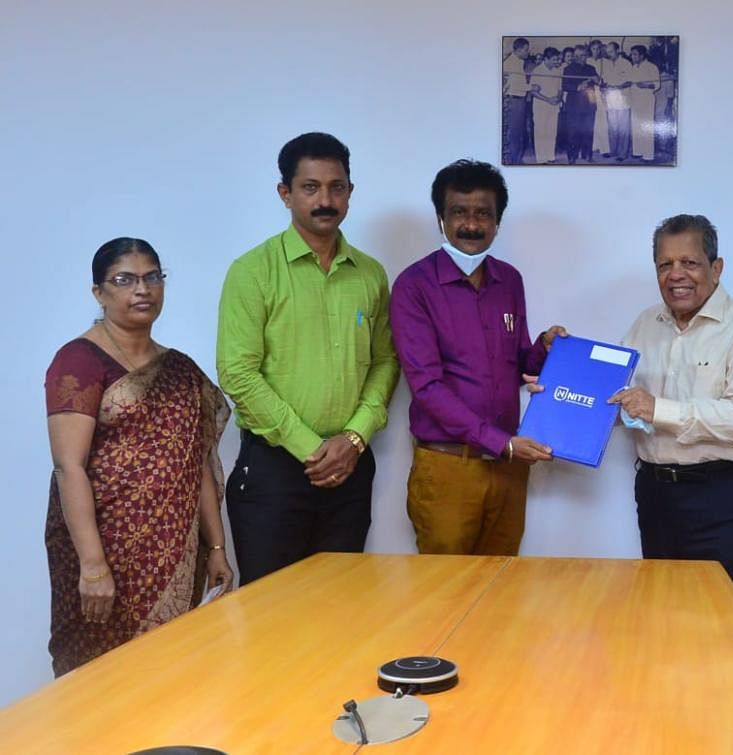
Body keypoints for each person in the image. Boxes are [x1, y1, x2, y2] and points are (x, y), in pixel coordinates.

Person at [44, 238, 232, 676]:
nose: (142, 289)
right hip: (104, 552)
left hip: (174, 554)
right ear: (99, 293)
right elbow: (68, 466)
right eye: (125, 280)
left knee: (171, 673)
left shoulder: (180, 369)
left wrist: (217, 547)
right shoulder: (78, 362)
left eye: (152, 277)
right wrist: (92, 566)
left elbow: (196, 462)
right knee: (99, 678)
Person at [217, 132, 399, 585]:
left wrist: (354, 438)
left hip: (350, 469)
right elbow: (237, 373)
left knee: (340, 612)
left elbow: (386, 362)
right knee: (272, 615)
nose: (325, 200)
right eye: (310, 187)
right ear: (285, 193)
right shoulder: (252, 271)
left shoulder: (371, 274)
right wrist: (311, 448)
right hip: (274, 472)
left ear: (350, 193)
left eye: (337, 187)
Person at [611, 214, 733, 646]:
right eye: (664, 265)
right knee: (666, 632)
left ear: (716, 267)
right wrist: (560, 386)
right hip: (659, 498)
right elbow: (621, 400)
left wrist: (658, 409)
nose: (676, 276)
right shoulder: (644, 325)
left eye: (689, 262)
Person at [391, 159, 565, 555]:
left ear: (498, 221)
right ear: (441, 218)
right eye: (459, 213)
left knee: (501, 591)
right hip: (450, 468)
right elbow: (427, 387)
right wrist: (502, 443)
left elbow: (518, 362)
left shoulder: (509, 280)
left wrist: (545, 349)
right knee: (445, 600)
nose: (471, 225)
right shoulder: (414, 287)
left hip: (508, 471)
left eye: (483, 214)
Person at [561, 44, 598, 164]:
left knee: (588, 131)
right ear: (576, 57)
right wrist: (577, 87)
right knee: (573, 132)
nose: (584, 58)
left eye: (585, 55)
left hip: (589, 105)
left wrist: (598, 80)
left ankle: (587, 155)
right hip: (574, 106)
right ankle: (572, 156)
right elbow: (564, 85)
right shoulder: (568, 69)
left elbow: (600, 82)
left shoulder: (591, 68)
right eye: (581, 56)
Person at [529, 47, 564, 164]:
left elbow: (560, 89)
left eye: (557, 59)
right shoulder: (537, 70)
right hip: (541, 106)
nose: (556, 62)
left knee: (551, 131)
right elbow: (533, 92)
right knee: (540, 131)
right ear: (546, 59)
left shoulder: (557, 71)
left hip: (554, 106)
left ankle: (550, 156)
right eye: (554, 59)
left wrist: (558, 98)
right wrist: (548, 99)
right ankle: (541, 158)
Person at [600, 42, 632, 161]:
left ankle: (622, 153)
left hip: (623, 100)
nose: (609, 54)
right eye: (607, 52)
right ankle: (613, 150)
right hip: (610, 100)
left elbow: (629, 81)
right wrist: (603, 86)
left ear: (617, 50)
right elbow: (604, 80)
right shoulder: (607, 65)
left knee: (623, 128)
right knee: (612, 127)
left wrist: (616, 87)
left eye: (611, 52)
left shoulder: (626, 63)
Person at [627, 45, 660, 161]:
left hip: (646, 100)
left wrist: (645, 85)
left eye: (635, 54)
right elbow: (630, 82)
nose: (632, 56)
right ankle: (637, 151)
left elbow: (657, 85)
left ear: (642, 55)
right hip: (635, 100)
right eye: (631, 54)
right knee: (636, 126)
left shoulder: (652, 67)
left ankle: (648, 155)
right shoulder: (633, 67)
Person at [502, 38, 532, 164]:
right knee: (514, 132)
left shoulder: (518, 61)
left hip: (520, 99)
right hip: (514, 100)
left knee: (519, 131)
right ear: (518, 50)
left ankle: (516, 158)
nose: (528, 52)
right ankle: (513, 160)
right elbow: (516, 85)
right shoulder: (511, 63)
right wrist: (531, 87)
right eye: (526, 49)